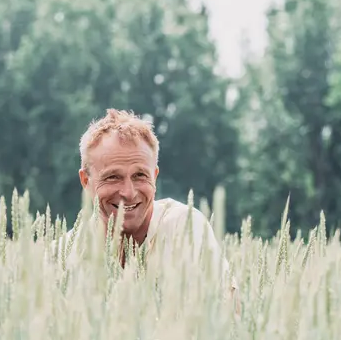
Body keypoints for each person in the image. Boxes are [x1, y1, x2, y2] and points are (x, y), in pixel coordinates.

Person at [74, 108, 236, 300]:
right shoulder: (64, 254)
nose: (128, 192)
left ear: (155, 176)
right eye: (112, 177)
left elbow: (228, 311)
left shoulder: (185, 228)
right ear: (85, 181)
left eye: (139, 175)